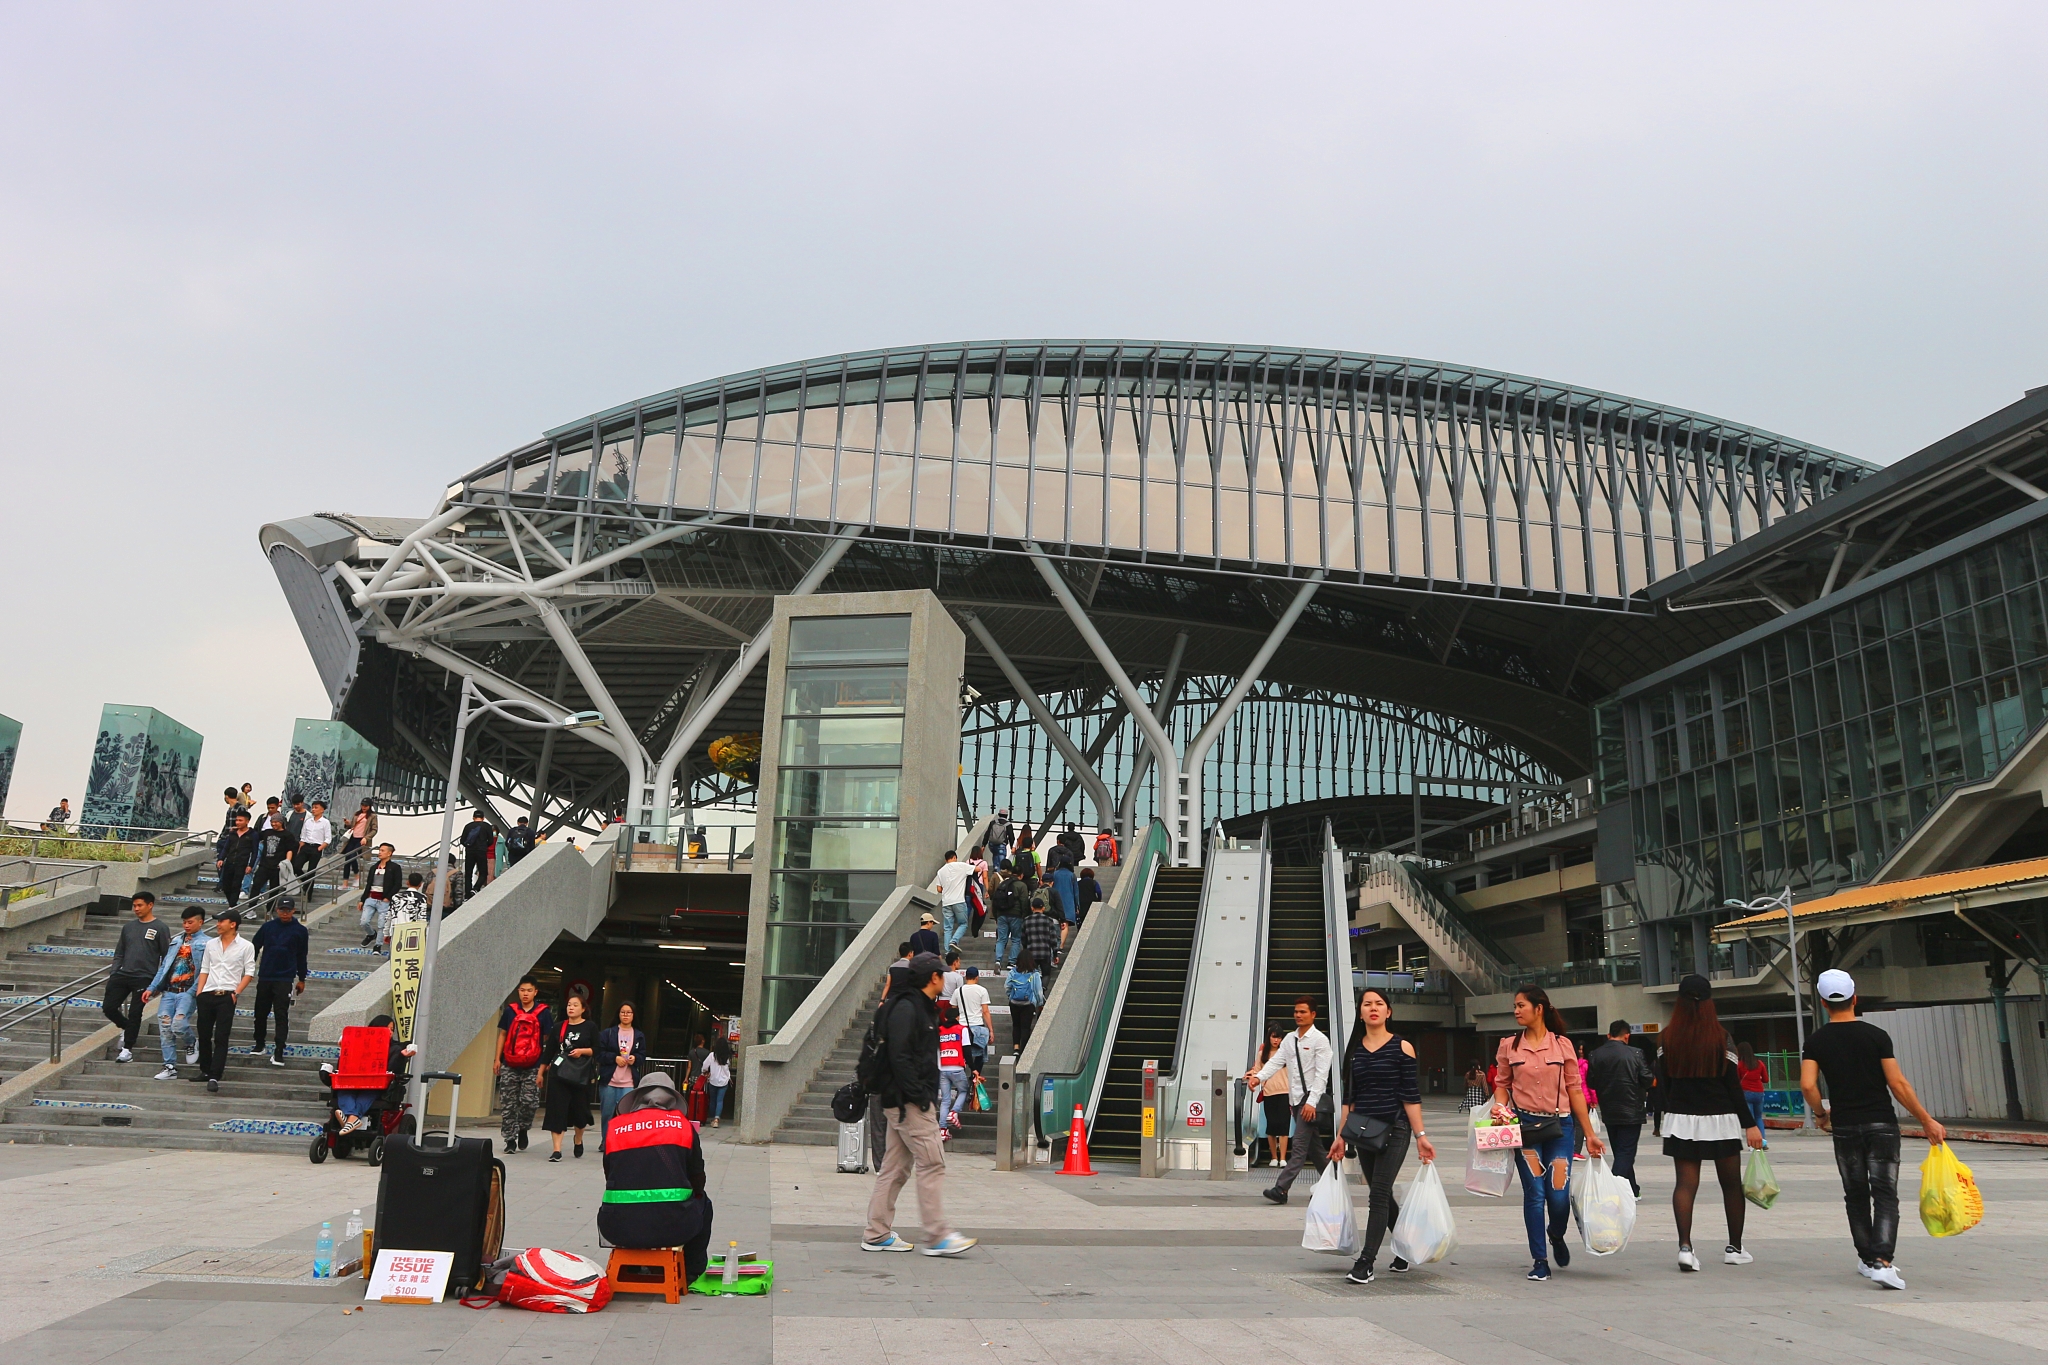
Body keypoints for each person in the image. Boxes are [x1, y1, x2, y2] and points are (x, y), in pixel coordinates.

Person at [1801, 968, 1947, 1290]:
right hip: (1881, 1124)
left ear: (1824, 1004)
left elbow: (1808, 1085)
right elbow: (1897, 1083)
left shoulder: (1816, 1042)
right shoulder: (1876, 1036)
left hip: (1845, 1127)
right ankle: (1882, 1260)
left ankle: (1868, 1260)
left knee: (1855, 1194)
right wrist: (1926, 1119)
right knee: (1884, 1193)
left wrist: (1821, 1114)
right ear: (1855, 998)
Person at [861, 952, 974, 1256]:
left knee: (894, 1168)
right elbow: (900, 1057)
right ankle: (938, 1236)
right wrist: (920, 1097)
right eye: (943, 974)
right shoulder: (909, 1009)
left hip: (901, 1100)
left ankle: (876, 1232)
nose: (947, 978)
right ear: (934, 978)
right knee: (932, 1162)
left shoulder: (916, 1007)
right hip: (908, 1102)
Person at [1492, 985, 1604, 1282]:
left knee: (1557, 1194)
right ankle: (1539, 1259)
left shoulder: (1562, 1045)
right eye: (1514, 1006)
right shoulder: (1508, 1045)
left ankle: (1556, 1233)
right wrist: (1499, 1108)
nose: (1516, 1011)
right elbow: (1502, 1084)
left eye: (1521, 1005)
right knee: (1535, 1192)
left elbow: (1575, 1090)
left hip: (1559, 1129)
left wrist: (1590, 1133)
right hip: (1525, 1129)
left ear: (1538, 1009)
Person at [1326, 987, 1437, 1284]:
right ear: (1360, 1013)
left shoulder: (1403, 1047)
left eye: (1379, 1004)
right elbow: (1349, 1099)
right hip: (1364, 1131)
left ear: (1388, 1012)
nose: (1373, 1008)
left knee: (1377, 1193)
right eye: (1367, 1004)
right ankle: (1406, 1247)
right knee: (1383, 1193)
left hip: (1396, 1128)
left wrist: (1421, 1136)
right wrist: (1340, 1136)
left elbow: (1411, 1097)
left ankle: (1366, 1262)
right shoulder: (1355, 1051)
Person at [1654, 974, 1762, 1272]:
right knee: (1730, 1186)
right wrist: (1750, 1123)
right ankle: (1735, 1248)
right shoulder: (1721, 1037)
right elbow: (1732, 1086)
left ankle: (1685, 1248)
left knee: (1686, 1185)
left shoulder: (1666, 1038)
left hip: (1682, 1119)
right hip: (1721, 1118)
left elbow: (1665, 1083)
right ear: (1709, 1001)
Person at [600, 1070, 717, 1281]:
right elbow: (697, 1178)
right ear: (672, 1100)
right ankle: (691, 1271)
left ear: (637, 1098)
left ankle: (632, 1268)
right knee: (704, 1203)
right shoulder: (683, 1127)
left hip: (616, 1226)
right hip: (675, 1226)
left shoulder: (614, 1128)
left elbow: (610, 1174)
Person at [1247, 996, 1333, 1205]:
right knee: (1316, 1150)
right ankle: (1335, 1183)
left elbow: (1322, 1075)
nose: (1298, 1015)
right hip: (1294, 1101)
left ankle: (1281, 1188)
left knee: (1300, 1147)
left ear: (1313, 1014)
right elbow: (1276, 1061)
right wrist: (1259, 1077)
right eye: (1296, 1011)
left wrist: (1312, 1102)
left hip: (1308, 1100)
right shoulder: (1290, 1039)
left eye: (1303, 1012)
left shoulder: (1320, 1040)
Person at [1586, 1019, 1654, 1197]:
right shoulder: (1636, 1053)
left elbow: (1591, 1081)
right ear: (1627, 1036)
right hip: (1632, 1109)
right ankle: (1613, 1189)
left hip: (1609, 1109)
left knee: (1620, 1150)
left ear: (1609, 1035)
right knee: (1626, 1151)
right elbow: (1647, 1078)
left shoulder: (1595, 1054)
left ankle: (1632, 1189)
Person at [191, 910, 256, 1093]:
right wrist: (199, 991)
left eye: (222, 921)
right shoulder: (211, 944)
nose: (218, 924)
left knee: (221, 1036)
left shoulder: (246, 946)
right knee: (203, 1034)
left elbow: (249, 972)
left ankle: (215, 1074)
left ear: (233, 924)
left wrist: (236, 992)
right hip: (207, 993)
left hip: (227, 995)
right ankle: (204, 1069)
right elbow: (205, 968)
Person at [103, 893, 170, 1064]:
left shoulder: (160, 928)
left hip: (144, 977)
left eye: (140, 905)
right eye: (134, 906)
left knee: (135, 1013)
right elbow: (120, 952)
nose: (136, 909)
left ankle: (127, 1049)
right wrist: (114, 972)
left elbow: (166, 956)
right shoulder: (128, 927)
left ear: (150, 905)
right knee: (109, 1007)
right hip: (123, 974)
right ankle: (126, 1027)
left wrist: (159, 982)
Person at [143, 908, 207, 1079]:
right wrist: (152, 987)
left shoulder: (207, 943)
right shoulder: (176, 941)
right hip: (169, 990)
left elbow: (205, 970)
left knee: (178, 1023)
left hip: (188, 991)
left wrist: (195, 990)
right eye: (184, 922)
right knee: (165, 1027)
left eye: (190, 922)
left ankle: (191, 1042)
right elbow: (164, 967)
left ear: (200, 922)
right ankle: (169, 1066)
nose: (186, 925)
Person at [328, 1013, 414, 1133]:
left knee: (368, 1092)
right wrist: (346, 1049)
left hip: (377, 1085)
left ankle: (350, 1118)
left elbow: (394, 1070)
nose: (390, 1032)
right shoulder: (359, 1044)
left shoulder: (395, 1048)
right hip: (354, 1082)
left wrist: (401, 1056)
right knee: (343, 1090)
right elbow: (345, 1066)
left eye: (392, 1030)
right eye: (387, 1029)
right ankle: (353, 1118)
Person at [495, 977, 554, 1152]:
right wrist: (497, 1059)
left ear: (535, 992)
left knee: (530, 1102)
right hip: (509, 1063)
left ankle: (523, 1128)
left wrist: (545, 1061)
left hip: (533, 1064)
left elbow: (548, 1039)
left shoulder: (544, 1012)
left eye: (529, 990)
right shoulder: (510, 1011)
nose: (525, 994)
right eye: (522, 990)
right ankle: (509, 1140)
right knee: (508, 1103)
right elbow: (503, 1035)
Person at [247, 897, 308, 1065]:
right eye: (282, 910)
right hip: (266, 975)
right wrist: (250, 966)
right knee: (260, 1012)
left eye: (288, 910)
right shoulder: (268, 927)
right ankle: (259, 1044)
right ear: (277, 910)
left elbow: (302, 956)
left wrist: (302, 978)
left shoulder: (300, 931)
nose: (285, 913)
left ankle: (279, 1049)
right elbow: (255, 945)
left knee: (281, 1014)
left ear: (294, 910)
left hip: (285, 978)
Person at [544, 993, 599, 1160]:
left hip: (580, 1075)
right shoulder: (559, 1026)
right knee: (556, 1110)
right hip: (558, 1074)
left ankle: (578, 1139)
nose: (571, 1007)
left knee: (580, 1112)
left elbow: (597, 1049)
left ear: (583, 1009)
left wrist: (582, 1051)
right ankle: (556, 1150)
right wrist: (540, 1073)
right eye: (569, 1005)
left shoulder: (590, 1027)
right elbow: (549, 1052)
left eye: (575, 1005)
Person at [598, 1001, 649, 1149]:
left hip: (629, 1082)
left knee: (626, 1115)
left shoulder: (638, 1035)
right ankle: (605, 1141)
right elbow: (599, 1054)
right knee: (607, 1113)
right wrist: (614, 1058)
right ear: (618, 1014)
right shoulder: (608, 1033)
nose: (625, 1015)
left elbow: (642, 1055)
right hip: (609, 1081)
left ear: (633, 1015)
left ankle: (623, 1142)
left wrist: (635, 1059)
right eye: (623, 1012)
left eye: (629, 1012)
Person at [1256, 1024, 1293, 1169]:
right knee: (1271, 1126)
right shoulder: (1262, 1055)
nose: (1276, 1040)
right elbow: (1257, 1070)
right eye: (1273, 1036)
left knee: (1284, 1126)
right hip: (1269, 1092)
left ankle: (1283, 1158)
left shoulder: (1286, 1053)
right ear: (1269, 1037)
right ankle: (1273, 1157)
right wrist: (1251, 1077)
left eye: (1278, 1037)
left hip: (1285, 1092)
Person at [929, 851, 975, 953]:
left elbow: (939, 889)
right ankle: (954, 941)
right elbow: (978, 869)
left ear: (946, 859)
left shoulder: (940, 871)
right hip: (958, 900)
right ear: (954, 857)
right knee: (963, 923)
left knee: (947, 928)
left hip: (946, 902)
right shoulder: (961, 866)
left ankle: (947, 952)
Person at [936, 1001, 971, 1138]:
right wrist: (973, 1068)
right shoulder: (962, 1029)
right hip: (957, 1067)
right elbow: (967, 1050)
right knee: (963, 1090)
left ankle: (943, 1130)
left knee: (945, 1099)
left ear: (945, 1018)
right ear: (957, 1018)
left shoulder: (939, 1030)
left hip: (942, 1068)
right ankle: (954, 1112)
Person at [361, 843, 403, 946]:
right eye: (379, 850)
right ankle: (371, 934)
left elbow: (397, 884)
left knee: (381, 925)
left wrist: (388, 897)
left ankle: (378, 945)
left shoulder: (395, 867)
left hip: (384, 901)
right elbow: (368, 884)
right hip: (371, 899)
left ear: (389, 853)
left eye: (383, 851)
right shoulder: (374, 867)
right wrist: (363, 899)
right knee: (364, 922)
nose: (380, 852)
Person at [248, 813, 294, 902]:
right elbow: (254, 835)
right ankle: (251, 907)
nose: (274, 824)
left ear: (281, 822)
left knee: (274, 890)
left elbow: (290, 850)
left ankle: (270, 910)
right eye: (272, 822)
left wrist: (287, 862)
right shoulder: (267, 832)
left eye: (276, 822)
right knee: (256, 885)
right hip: (264, 865)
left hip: (277, 866)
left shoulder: (287, 835)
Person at [216, 811, 256, 909]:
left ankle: (232, 906)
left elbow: (254, 852)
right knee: (226, 885)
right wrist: (221, 858)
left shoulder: (252, 835)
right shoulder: (233, 833)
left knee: (236, 885)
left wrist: (250, 865)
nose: (237, 822)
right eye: (237, 820)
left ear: (247, 821)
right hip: (229, 862)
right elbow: (226, 847)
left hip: (241, 863)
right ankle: (232, 903)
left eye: (240, 820)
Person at [990, 865, 1027, 970]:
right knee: (1016, 939)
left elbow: (996, 900)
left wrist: (997, 916)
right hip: (1016, 915)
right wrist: (1024, 916)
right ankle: (1011, 962)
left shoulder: (1003, 884)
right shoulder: (1021, 885)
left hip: (1001, 914)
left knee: (1001, 939)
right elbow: (1024, 902)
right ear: (1021, 875)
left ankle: (998, 961)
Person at [1006, 953, 1044, 1053]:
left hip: (1014, 1003)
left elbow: (1007, 986)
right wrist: (1040, 1003)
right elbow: (1038, 991)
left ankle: (1016, 1048)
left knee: (1016, 1025)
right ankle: (1024, 1049)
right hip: (1028, 1004)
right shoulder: (1034, 974)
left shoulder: (1013, 972)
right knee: (1025, 1027)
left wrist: (1010, 996)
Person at [958, 966, 993, 1076]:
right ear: (977, 977)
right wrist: (991, 1030)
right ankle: (975, 1077)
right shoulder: (982, 990)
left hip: (962, 1027)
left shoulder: (958, 991)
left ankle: (962, 1078)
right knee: (980, 1054)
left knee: (962, 1054)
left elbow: (953, 1009)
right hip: (978, 1026)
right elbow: (985, 1011)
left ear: (965, 977)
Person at [1736, 1041, 1769, 1149]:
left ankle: (1752, 1144)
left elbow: (1736, 1080)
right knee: (1759, 1117)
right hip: (1759, 1093)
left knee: (1750, 1120)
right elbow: (1766, 1079)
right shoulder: (1759, 1063)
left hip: (1746, 1093)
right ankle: (1762, 1142)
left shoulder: (1740, 1065)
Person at [1021, 894, 1062, 979]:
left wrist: (1025, 949)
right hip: (1045, 953)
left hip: (1031, 952)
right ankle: (1043, 988)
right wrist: (1055, 954)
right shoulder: (1049, 920)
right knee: (1046, 974)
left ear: (1032, 908)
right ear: (1043, 908)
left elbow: (1023, 938)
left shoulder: (1026, 920)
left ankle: (1034, 990)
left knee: (1031, 975)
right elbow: (1053, 939)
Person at [293, 799, 331, 891]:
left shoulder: (325, 822)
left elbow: (328, 839)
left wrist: (320, 848)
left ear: (322, 810)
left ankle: (308, 892)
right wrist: (300, 848)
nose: (313, 809)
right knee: (296, 866)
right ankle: (305, 882)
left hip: (316, 847)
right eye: (313, 807)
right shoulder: (308, 821)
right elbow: (303, 836)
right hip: (305, 846)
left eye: (316, 808)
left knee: (311, 871)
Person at [340, 800, 376, 886]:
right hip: (353, 838)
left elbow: (374, 829)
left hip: (362, 839)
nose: (364, 807)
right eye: (362, 805)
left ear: (370, 806)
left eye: (366, 806)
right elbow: (353, 826)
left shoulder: (372, 816)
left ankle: (357, 877)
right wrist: (348, 823)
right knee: (347, 859)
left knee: (352, 856)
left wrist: (366, 838)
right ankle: (345, 882)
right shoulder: (357, 814)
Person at [702, 1039, 732, 1127]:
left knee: (712, 1100)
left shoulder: (712, 1055)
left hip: (713, 1080)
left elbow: (704, 1065)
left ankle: (712, 1118)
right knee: (720, 1100)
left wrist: (705, 1072)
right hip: (724, 1081)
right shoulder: (727, 1056)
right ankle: (716, 1119)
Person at [1073, 865, 1102, 931]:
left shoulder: (1078, 883)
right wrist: (1099, 899)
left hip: (1081, 903)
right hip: (1092, 902)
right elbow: (1098, 891)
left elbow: (1075, 893)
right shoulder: (1094, 882)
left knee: (1082, 918)